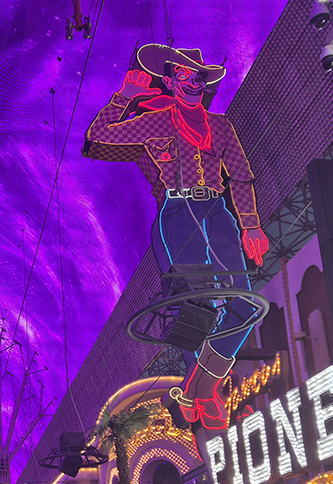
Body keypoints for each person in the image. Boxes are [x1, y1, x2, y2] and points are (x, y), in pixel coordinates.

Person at [84, 44, 269, 429]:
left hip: (219, 214)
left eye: (199, 76)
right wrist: (125, 97)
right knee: (197, 309)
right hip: (178, 214)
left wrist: (250, 224)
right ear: (170, 82)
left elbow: (241, 175)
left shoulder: (221, 126)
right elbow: (97, 136)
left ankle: (198, 389)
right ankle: (207, 393)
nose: (193, 82)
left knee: (245, 306)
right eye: (184, 76)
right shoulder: (158, 121)